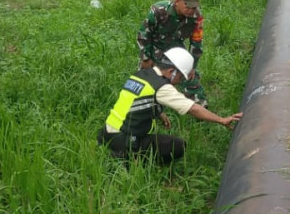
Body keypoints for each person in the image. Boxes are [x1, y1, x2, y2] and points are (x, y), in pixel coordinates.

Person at [98, 47, 242, 164]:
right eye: (180, 77)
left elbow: (136, 100)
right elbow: (193, 108)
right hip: (126, 141)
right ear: (171, 72)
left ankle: (117, 151)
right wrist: (222, 120)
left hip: (107, 133)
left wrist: (159, 113)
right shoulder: (162, 87)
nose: (179, 81)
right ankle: (129, 159)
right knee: (177, 146)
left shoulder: (141, 74)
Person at [137, 0, 207, 106]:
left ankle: (197, 105)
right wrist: (146, 58)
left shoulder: (196, 17)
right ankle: (148, 104)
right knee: (146, 80)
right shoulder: (159, 10)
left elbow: (196, 42)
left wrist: (192, 65)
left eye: (194, 7)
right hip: (155, 48)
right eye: (188, 6)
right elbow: (144, 35)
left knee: (190, 78)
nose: (191, 10)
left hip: (176, 49)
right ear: (177, 1)